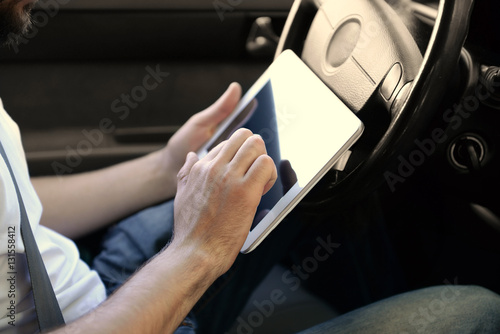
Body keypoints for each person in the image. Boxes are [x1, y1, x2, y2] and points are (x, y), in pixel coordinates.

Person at [1, 1, 500, 333]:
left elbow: (14, 211)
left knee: (306, 180)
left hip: (85, 280)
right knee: (480, 311)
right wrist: (197, 250)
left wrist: (163, 167)